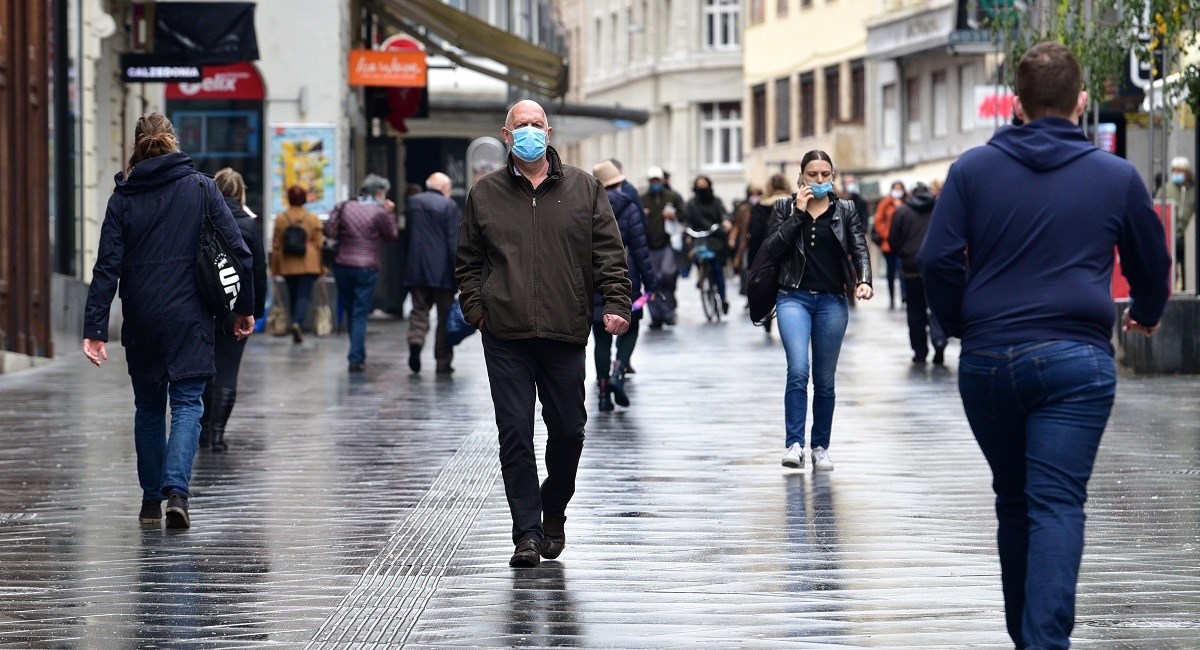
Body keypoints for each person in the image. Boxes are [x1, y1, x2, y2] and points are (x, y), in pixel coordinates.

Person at [918, 42, 1171, 649]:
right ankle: (1043, 642)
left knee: (1013, 499)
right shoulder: (1114, 176)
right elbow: (1152, 263)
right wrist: (1146, 312)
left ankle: (1024, 637)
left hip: (988, 362)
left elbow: (936, 258)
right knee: (1056, 503)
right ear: (1080, 101)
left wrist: (959, 324)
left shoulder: (972, 170)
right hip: (1074, 363)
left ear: (1017, 103)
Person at [457, 100, 631, 568]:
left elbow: (609, 254)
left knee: (569, 432)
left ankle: (553, 510)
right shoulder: (485, 193)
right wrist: (479, 309)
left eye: (537, 125)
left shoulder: (585, 188)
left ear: (548, 131)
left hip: (564, 331)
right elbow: (468, 262)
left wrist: (616, 303)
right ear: (507, 133)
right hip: (505, 334)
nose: (530, 132)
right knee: (514, 434)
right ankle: (527, 535)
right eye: (522, 126)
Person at [83, 113, 255, 529]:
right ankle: (178, 492)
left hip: (141, 314)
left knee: (147, 407)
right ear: (174, 142)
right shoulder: (200, 188)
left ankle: (149, 502)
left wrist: (95, 328)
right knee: (187, 403)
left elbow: (107, 267)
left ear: (136, 147)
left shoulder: (122, 198)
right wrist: (243, 307)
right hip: (190, 312)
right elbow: (239, 250)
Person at [758, 150, 873, 472]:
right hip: (792, 297)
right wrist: (798, 213)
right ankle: (794, 445)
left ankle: (820, 446)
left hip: (832, 301)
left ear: (833, 175)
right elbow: (771, 248)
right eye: (813, 174)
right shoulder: (783, 206)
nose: (820, 180)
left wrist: (864, 280)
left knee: (824, 379)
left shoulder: (846, 209)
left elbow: (859, 247)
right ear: (802, 176)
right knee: (798, 369)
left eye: (825, 174)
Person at [200, 168, 267, 452]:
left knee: (202, 369)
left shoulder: (202, 219)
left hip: (202, 304)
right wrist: (254, 309)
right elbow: (258, 271)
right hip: (236, 306)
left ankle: (201, 430)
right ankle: (217, 434)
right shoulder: (249, 225)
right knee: (227, 369)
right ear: (241, 193)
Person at [591, 160, 659, 411]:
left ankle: (601, 394)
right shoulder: (630, 208)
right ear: (620, 182)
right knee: (630, 328)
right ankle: (619, 372)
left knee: (600, 339)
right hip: (626, 278)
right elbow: (640, 249)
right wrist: (651, 284)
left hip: (595, 280)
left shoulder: (588, 208)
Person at [326, 174, 399, 373]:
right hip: (366, 267)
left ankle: (356, 352)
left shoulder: (344, 206)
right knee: (360, 313)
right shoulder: (380, 212)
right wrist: (390, 213)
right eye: (384, 194)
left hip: (342, 265)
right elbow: (392, 235)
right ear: (378, 193)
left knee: (351, 310)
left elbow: (329, 227)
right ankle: (356, 357)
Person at [405, 172, 462, 375]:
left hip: (417, 268)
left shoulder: (413, 203)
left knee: (419, 311)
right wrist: (459, 271)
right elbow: (453, 241)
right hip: (443, 272)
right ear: (445, 188)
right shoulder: (449, 206)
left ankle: (415, 341)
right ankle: (442, 361)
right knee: (444, 317)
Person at [886, 182, 946, 365]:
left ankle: (919, 352)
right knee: (938, 307)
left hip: (911, 268)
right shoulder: (940, 209)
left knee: (915, 310)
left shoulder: (902, 211)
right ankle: (939, 341)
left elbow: (893, 239)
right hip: (936, 267)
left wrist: (903, 254)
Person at [270, 185, 324, 344]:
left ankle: (295, 322)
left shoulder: (281, 218)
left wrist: (274, 267)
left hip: (287, 262)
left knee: (293, 293)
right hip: (309, 262)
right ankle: (297, 322)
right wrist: (323, 267)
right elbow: (320, 243)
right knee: (303, 294)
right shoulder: (312, 218)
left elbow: (276, 244)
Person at [640, 166, 687, 328]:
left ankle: (668, 312)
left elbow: (684, 214)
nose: (655, 183)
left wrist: (674, 215)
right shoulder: (642, 198)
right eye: (652, 181)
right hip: (648, 244)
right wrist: (642, 215)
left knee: (667, 276)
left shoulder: (672, 197)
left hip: (667, 242)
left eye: (657, 180)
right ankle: (656, 316)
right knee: (651, 280)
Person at [684, 174, 732, 314]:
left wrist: (725, 221)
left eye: (704, 186)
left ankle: (722, 298)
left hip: (714, 236)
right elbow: (687, 219)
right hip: (698, 237)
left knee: (717, 268)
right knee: (697, 256)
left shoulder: (716, 201)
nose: (702, 189)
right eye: (700, 186)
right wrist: (687, 232)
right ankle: (702, 274)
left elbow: (724, 214)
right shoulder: (691, 203)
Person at [1155, 156, 1194, 288]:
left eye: (1179, 171)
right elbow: (1157, 208)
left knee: (1187, 266)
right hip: (1170, 235)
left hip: (1188, 236)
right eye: (1174, 171)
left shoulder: (1193, 190)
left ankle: (1186, 288)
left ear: (1187, 172)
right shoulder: (1166, 189)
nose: (1176, 174)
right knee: (1172, 264)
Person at [873, 180, 906, 309]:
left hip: (903, 244)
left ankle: (904, 296)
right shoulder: (885, 203)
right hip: (888, 245)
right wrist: (887, 234)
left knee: (902, 270)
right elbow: (878, 221)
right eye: (895, 188)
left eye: (899, 188)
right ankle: (892, 297)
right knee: (891, 272)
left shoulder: (906, 203)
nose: (897, 191)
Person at [728, 183, 764, 291]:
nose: (755, 197)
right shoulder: (744, 209)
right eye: (753, 194)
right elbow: (737, 226)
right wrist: (732, 238)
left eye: (757, 194)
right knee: (747, 268)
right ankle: (748, 293)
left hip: (761, 242)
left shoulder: (764, 208)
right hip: (747, 243)